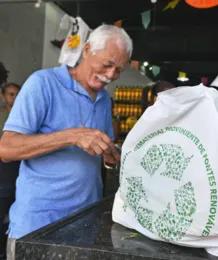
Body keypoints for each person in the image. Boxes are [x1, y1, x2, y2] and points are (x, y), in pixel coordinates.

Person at [0, 24, 132, 258]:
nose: (111, 75)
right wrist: (72, 135)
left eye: (119, 70)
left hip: (84, 226)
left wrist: (110, 157)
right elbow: (6, 148)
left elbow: (96, 152)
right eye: (107, 64)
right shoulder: (43, 84)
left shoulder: (104, 99)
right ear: (87, 49)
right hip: (37, 228)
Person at [0, 83, 20, 260]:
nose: (14, 99)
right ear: (2, 96)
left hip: (18, 178)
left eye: (17, 95)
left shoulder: (24, 117)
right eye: (10, 94)